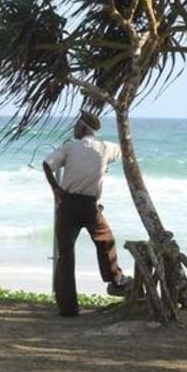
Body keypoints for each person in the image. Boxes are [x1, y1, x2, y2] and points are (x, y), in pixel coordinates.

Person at [42, 110, 132, 316]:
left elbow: (47, 163)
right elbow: (125, 151)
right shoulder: (105, 148)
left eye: (76, 126)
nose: (74, 129)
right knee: (105, 240)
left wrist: (55, 188)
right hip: (89, 205)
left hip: (67, 204)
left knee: (65, 255)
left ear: (83, 128)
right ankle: (115, 279)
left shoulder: (70, 147)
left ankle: (68, 308)